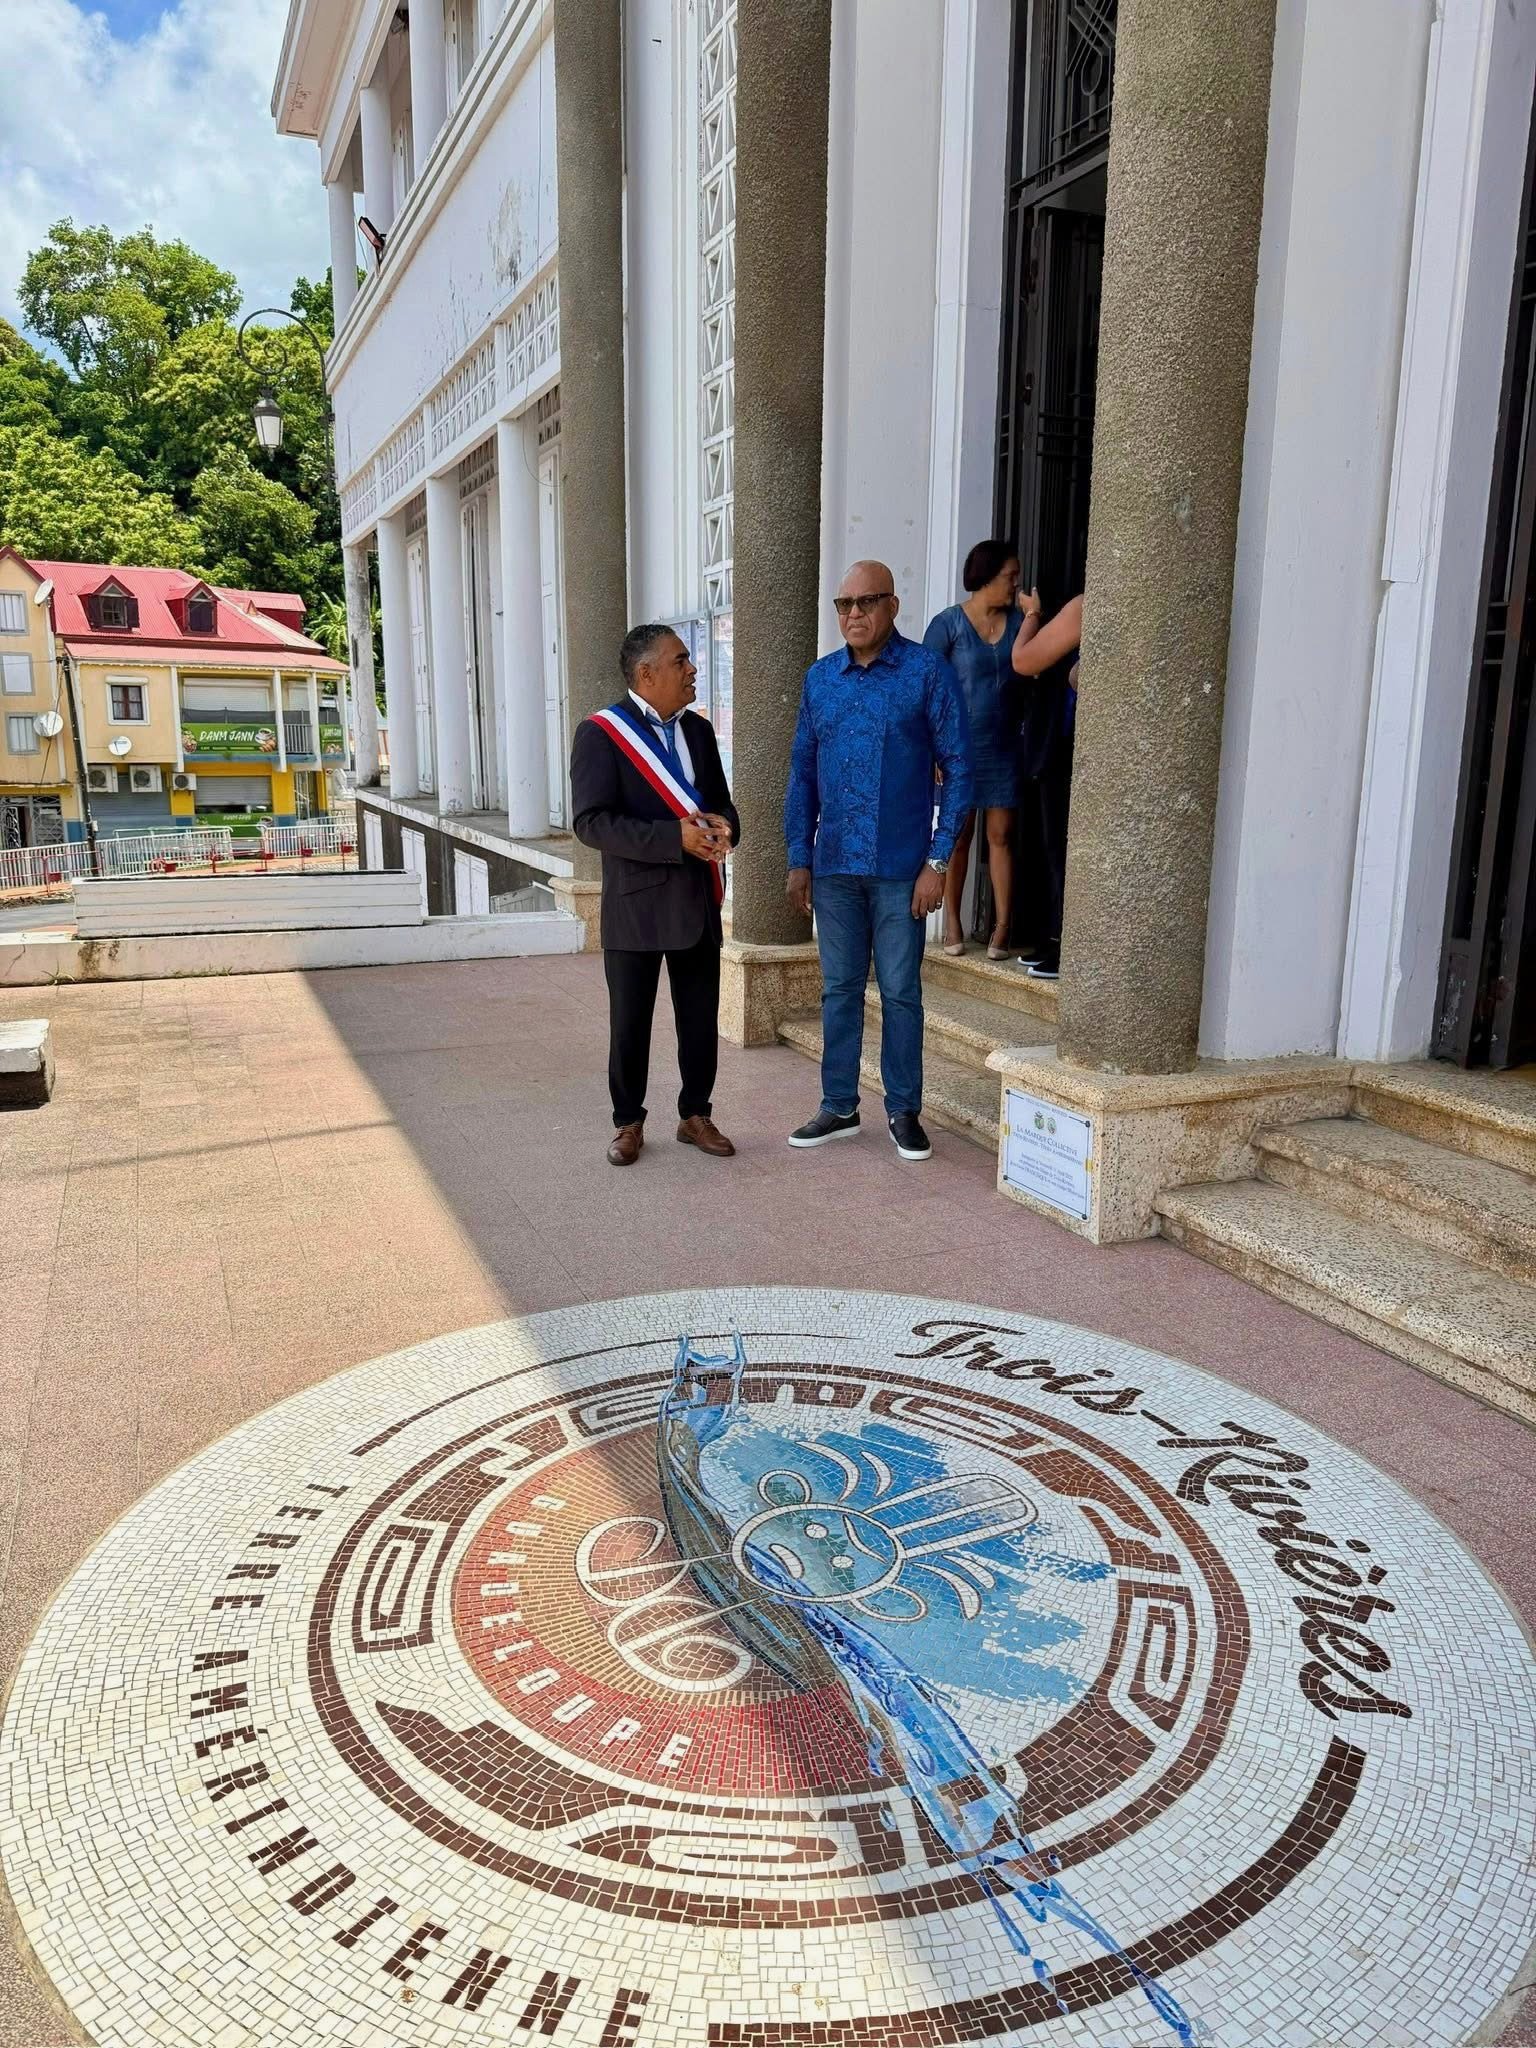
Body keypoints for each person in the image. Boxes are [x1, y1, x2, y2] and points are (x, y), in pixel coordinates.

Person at [783, 559, 972, 1162]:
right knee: (839, 991)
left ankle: (903, 1109)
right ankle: (839, 1105)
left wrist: (937, 862)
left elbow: (960, 768)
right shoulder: (820, 680)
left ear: (893, 605)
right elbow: (801, 773)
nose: (854, 614)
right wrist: (798, 857)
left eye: (867, 602)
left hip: (900, 870)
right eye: (844, 604)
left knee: (900, 993)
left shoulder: (926, 672)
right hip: (835, 866)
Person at [570, 623, 739, 1166]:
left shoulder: (699, 731)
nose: (693, 669)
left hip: (695, 899)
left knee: (699, 1018)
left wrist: (727, 827)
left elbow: (720, 802)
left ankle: (696, 1115)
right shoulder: (601, 734)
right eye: (681, 661)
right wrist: (673, 839)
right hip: (635, 906)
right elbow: (591, 822)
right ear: (647, 674)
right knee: (630, 1024)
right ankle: (628, 1122)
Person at [922, 540, 1023, 960]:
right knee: (959, 836)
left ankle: (1002, 927)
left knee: (1001, 835)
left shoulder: (1019, 621)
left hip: (1003, 745)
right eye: (1010, 577)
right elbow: (925, 689)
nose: (1016, 585)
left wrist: (1035, 618)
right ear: (987, 576)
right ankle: (952, 922)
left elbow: (1034, 665)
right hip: (957, 749)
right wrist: (932, 749)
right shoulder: (948, 624)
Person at [1010, 589, 1082, 980]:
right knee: (1056, 849)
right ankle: (1056, 938)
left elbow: (1023, 659)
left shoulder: (1084, 606)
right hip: (1069, 748)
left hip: (1067, 749)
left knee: (1062, 849)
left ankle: (1064, 944)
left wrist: (1032, 614)